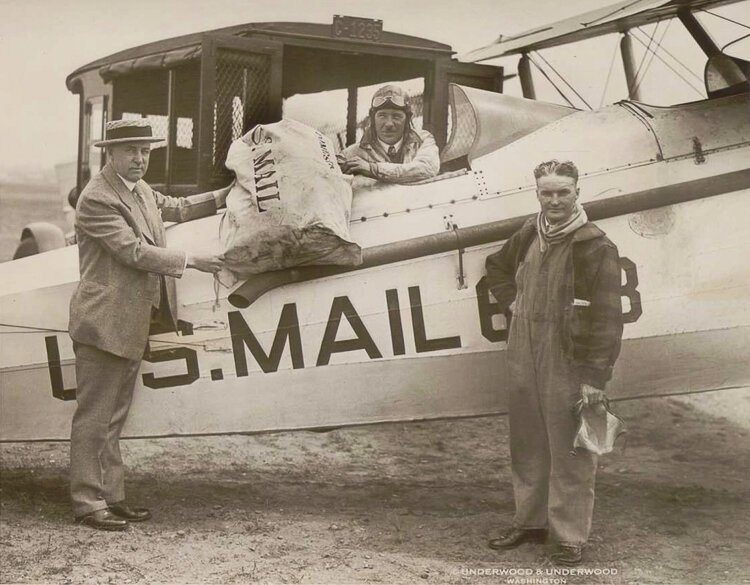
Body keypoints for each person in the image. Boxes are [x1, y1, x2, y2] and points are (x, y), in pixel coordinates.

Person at [68, 119, 229, 531]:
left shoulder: (137, 189)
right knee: (95, 416)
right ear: (111, 153)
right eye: (131, 151)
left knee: (114, 416)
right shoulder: (98, 198)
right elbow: (134, 252)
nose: (140, 159)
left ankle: (113, 496)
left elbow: (176, 208)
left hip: (128, 321)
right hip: (104, 321)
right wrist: (192, 260)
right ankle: (88, 502)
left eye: (145, 151)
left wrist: (230, 194)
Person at [484, 160, 624, 565]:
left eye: (563, 192)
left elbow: (608, 318)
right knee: (527, 440)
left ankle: (569, 535)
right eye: (548, 192)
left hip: (568, 357)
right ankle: (529, 522)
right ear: (538, 194)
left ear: (578, 192)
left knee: (573, 448)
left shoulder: (595, 246)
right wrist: (512, 301)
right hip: (523, 348)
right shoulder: (530, 232)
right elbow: (496, 267)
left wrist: (595, 377)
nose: (555, 200)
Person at [337, 84, 440, 183]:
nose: (389, 124)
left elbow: (427, 168)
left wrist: (373, 169)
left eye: (396, 116)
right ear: (373, 119)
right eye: (382, 116)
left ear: (407, 119)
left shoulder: (422, 140)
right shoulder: (350, 155)